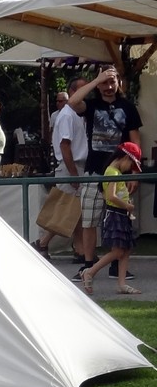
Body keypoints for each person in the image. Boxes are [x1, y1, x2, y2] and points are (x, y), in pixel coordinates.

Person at [68, 66, 142, 281]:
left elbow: (135, 141)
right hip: (94, 171)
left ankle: (116, 265)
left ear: (119, 83)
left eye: (112, 82)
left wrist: (135, 171)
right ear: (98, 85)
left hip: (119, 172)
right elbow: (72, 102)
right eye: (104, 83)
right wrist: (95, 80)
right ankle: (87, 265)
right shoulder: (92, 105)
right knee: (89, 220)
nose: (109, 87)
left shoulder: (128, 107)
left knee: (119, 220)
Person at [34, 78, 87, 260]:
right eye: (82, 89)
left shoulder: (76, 114)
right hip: (70, 166)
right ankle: (42, 242)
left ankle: (80, 249)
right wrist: (73, 173)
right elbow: (64, 146)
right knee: (65, 208)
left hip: (76, 166)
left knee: (76, 210)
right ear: (72, 92)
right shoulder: (66, 116)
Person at [80, 142, 143, 295]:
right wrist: (126, 206)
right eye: (131, 164)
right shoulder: (112, 172)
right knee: (118, 251)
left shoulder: (114, 172)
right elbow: (111, 196)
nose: (129, 168)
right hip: (115, 215)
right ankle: (90, 272)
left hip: (121, 215)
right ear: (125, 158)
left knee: (126, 249)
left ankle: (121, 283)